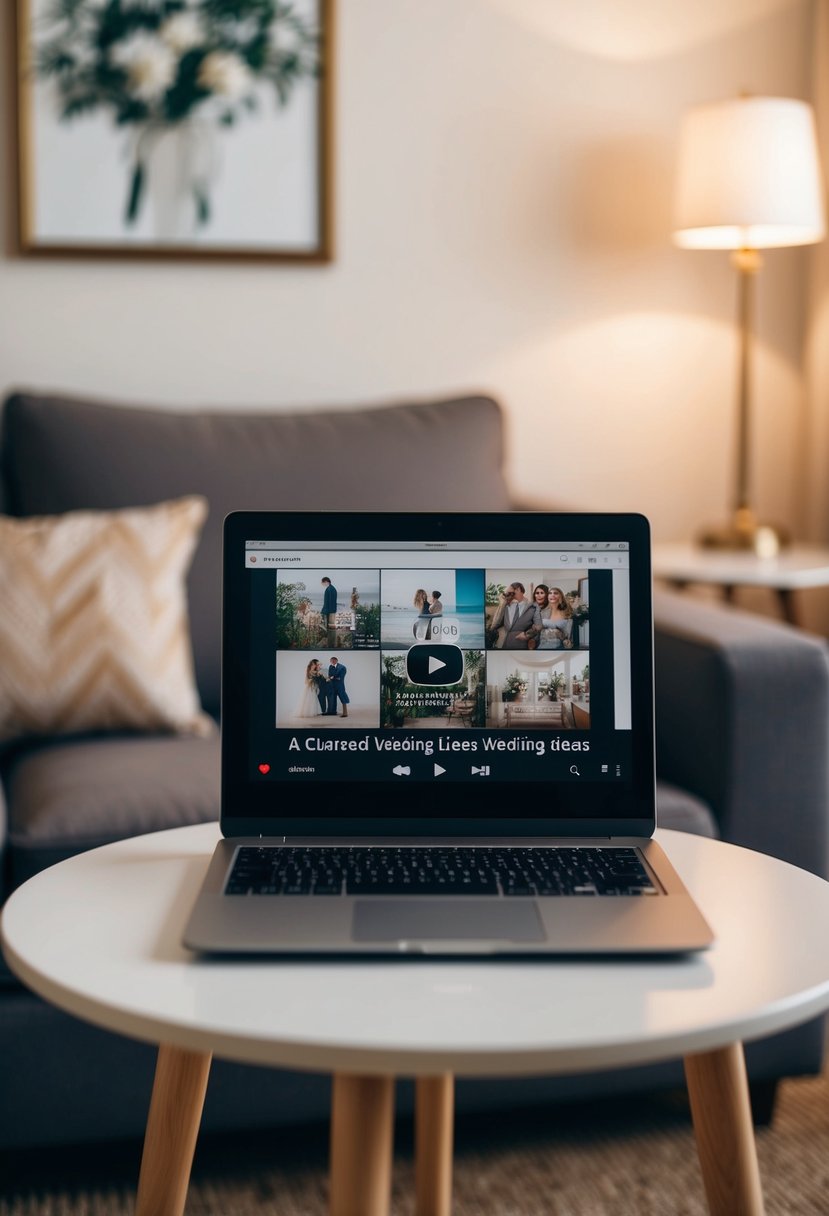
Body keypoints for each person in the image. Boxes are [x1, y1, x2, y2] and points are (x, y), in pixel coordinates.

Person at [492, 582, 541, 649]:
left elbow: (538, 627)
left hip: (522, 646)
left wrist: (527, 635)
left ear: (517, 589)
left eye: (509, 592)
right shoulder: (506, 607)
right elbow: (494, 625)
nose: (507, 594)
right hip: (505, 645)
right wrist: (502, 604)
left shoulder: (533, 607)